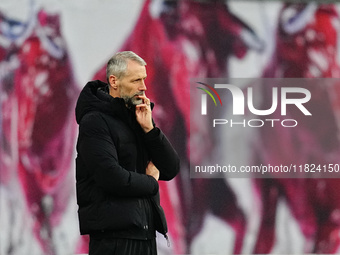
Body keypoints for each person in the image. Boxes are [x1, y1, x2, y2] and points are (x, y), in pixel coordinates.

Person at [75, 51, 180, 255]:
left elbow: (170, 168)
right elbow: (111, 177)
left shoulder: (138, 118)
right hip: (113, 241)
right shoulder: (94, 122)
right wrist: (150, 182)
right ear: (114, 81)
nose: (144, 87)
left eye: (144, 79)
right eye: (136, 80)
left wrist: (150, 130)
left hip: (145, 236)